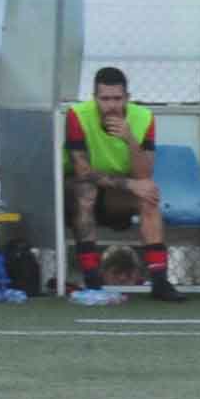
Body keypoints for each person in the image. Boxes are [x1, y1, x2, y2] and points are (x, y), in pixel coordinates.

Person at [64, 65, 186, 303]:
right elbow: (82, 170)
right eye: (105, 99)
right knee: (85, 190)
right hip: (78, 191)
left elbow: (145, 173)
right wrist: (129, 185)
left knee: (148, 195)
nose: (111, 105)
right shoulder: (77, 115)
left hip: (114, 195)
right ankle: (92, 279)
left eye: (117, 99)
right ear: (94, 98)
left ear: (127, 97)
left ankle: (160, 281)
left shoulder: (144, 118)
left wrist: (129, 139)